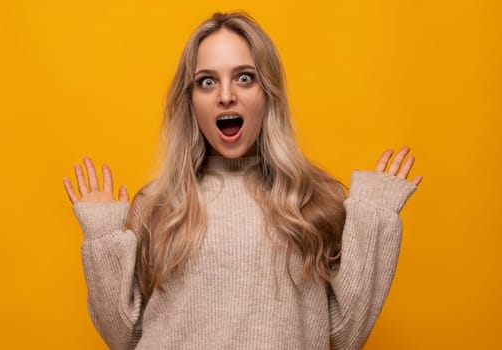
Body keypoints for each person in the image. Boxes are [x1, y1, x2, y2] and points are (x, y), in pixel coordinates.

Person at [63, 11, 423, 350]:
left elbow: (346, 337)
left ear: (267, 94)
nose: (225, 95)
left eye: (244, 77)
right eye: (207, 82)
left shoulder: (314, 200)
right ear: (190, 101)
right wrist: (103, 237)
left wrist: (372, 218)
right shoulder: (160, 206)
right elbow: (124, 337)